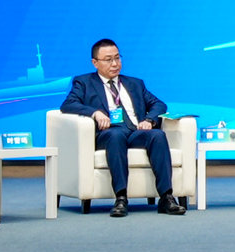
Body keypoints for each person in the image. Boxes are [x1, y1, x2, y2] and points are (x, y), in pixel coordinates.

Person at [60, 39, 185, 217]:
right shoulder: (84, 82)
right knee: (116, 135)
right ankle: (121, 198)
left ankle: (166, 197)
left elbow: (159, 104)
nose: (115, 64)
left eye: (117, 58)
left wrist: (149, 120)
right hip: (108, 133)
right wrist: (95, 112)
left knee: (157, 135)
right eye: (108, 59)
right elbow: (68, 104)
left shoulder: (135, 83)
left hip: (135, 131)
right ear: (95, 62)